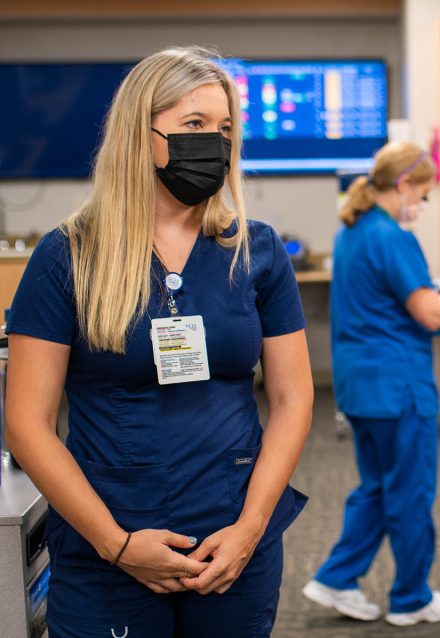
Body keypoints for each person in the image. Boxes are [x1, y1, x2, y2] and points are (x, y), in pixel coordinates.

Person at [5, 47, 312, 637]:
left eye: (224, 129)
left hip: (231, 542)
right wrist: (117, 545)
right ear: (138, 133)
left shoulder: (256, 250)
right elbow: (27, 423)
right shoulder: (67, 255)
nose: (214, 143)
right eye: (193, 125)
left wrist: (251, 528)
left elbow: (295, 396)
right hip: (111, 543)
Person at [303, 141, 440, 627]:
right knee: (410, 492)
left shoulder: (353, 229)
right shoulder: (392, 237)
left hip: (361, 387)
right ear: (404, 186)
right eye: (424, 194)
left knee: (377, 487)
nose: (423, 204)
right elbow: (431, 313)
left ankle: (337, 577)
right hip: (399, 389)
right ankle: (412, 598)